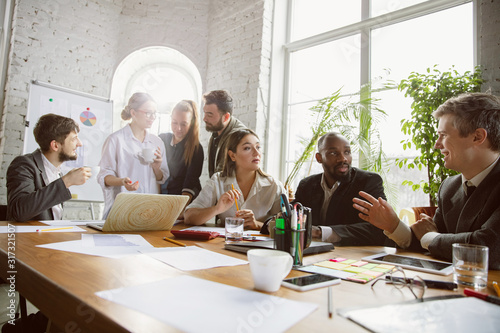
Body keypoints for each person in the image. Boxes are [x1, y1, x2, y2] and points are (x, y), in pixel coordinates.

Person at [353, 92, 500, 269]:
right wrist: (393, 225)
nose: (436, 144)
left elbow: (488, 248)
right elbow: (433, 244)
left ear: (477, 137)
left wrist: (430, 237)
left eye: (443, 135)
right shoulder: (449, 187)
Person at [293, 132, 388, 246]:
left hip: (354, 255)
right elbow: (292, 213)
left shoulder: (368, 182)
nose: (343, 158)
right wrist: (275, 222)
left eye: (347, 152)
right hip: (314, 253)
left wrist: (320, 232)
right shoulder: (307, 185)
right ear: (319, 158)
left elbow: (379, 228)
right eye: (333, 153)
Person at [184, 128, 285, 230]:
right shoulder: (218, 180)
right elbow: (188, 217)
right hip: (225, 243)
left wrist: (256, 224)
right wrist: (217, 209)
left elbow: (286, 225)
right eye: (247, 148)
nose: (256, 153)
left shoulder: (274, 186)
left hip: (260, 245)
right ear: (232, 155)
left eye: (258, 147)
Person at [6, 113, 91, 222]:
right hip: (28, 237)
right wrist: (66, 181)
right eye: (74, 138)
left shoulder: (56, 171)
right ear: (55, 145)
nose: (79, 144)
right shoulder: (24, 165)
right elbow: (19, 211)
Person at [97, 92, 169, 218]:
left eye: (154, 113)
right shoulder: (115, 140)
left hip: (149, 210)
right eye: (148, 113)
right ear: (133, 113)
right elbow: (104, 177)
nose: (152, 117)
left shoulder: (157, 142)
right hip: (122, 210)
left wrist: (157, 168)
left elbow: (162, 178)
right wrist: (121, 181)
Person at [159, 100, 204, 209]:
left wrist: (179, 210)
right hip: (162, 198)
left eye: (184, 124)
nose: (178, 128)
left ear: (191, 123)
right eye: (174, 122)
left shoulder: (196, 148)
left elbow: (190, 183)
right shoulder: (162, 139)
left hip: (184, 202)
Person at [203, 89, 246, 177]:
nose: (204, 119)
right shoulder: (216, 132)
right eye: (205, 113)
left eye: (209, 115)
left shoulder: (238, 137)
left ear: (226, 117)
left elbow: (223, 177)